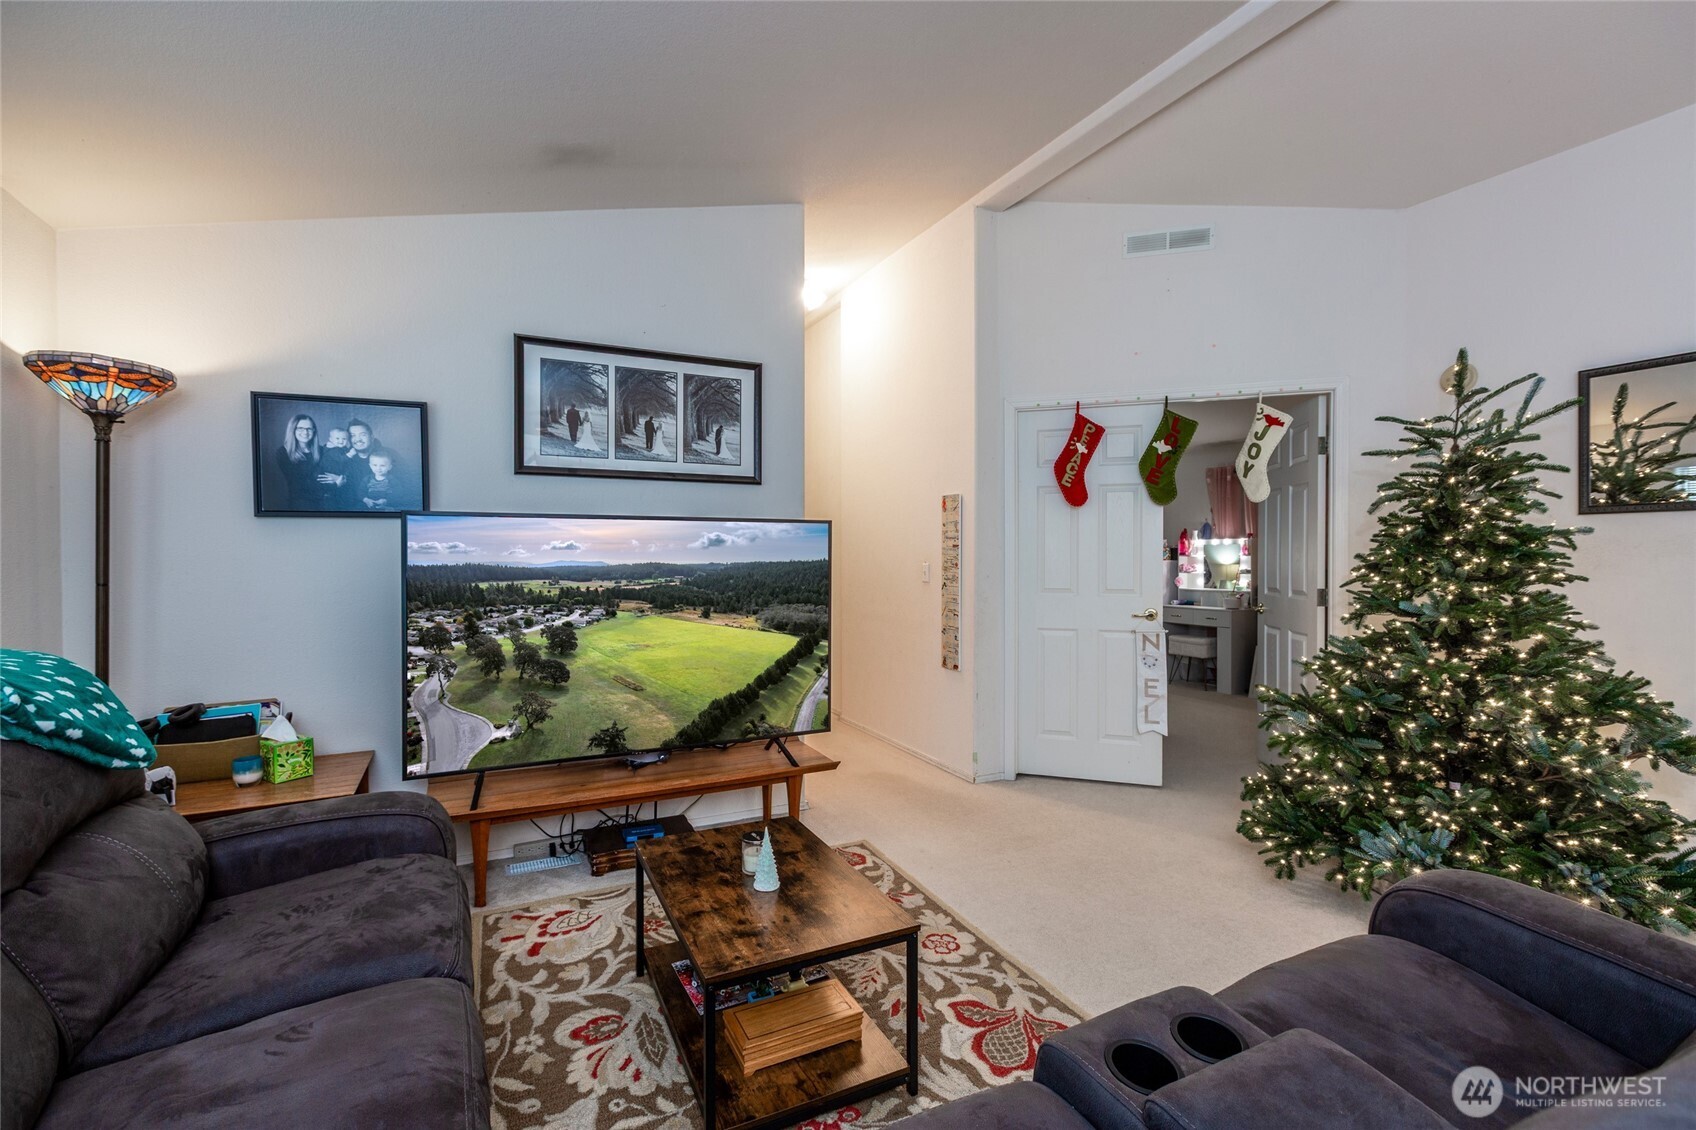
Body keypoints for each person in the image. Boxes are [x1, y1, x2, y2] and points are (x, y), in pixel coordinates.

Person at [273, 413, 323, 509]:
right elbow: (299, 482)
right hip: (300, 503)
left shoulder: (321, 450)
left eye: (309, 429)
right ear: (293, 430)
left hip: (323, 501)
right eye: (300, 428)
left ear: (314, 431)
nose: (305, 432)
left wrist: (339, 478)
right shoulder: (283, 453)